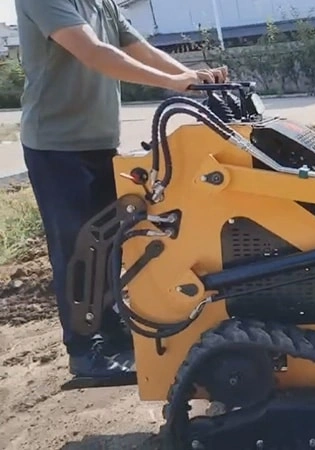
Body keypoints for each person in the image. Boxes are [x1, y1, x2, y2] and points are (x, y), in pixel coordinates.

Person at [14, 0, 229, 383]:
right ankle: (85, 352)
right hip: (55, 144)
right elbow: (94, 52)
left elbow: (139, 48)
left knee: (107, 244)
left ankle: (113, 333)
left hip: (99, 140)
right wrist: (172, 83)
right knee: (76, 248)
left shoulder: (103, 2)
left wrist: (191, 76)